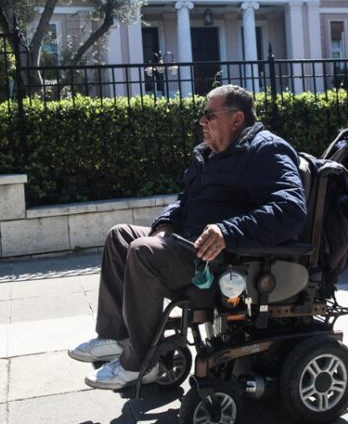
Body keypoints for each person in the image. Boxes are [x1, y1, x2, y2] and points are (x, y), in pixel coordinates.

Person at [69, 84, 307, 390]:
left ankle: (140, 363)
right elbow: (186, 200)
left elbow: (291, 209)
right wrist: (166, 223)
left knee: (142, 251)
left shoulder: (266, 149)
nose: (201, 121)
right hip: (190, 243)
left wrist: (228, 230)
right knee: (120, 236)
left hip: (225, 262)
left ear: (236, 119)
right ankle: (117, 338)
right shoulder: (208, 153)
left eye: (209, 114)